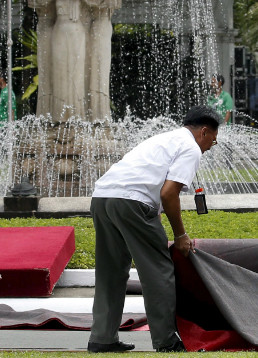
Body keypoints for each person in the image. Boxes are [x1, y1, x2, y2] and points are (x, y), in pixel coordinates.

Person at [88, 106, 220, 353]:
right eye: (213, 138)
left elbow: (146, 176)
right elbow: (169, 193)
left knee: (110, 272)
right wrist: (180, 235)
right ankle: (166, 341)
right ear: (203, 131)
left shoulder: (163, 138)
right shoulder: (191, 147)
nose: (213, 144)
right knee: (158, 271)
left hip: (103, 198)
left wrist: (155, 214)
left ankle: (102, 339)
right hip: (132, 203)